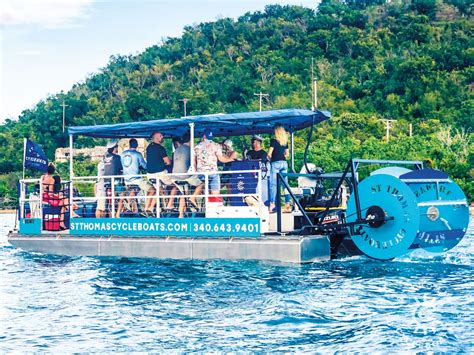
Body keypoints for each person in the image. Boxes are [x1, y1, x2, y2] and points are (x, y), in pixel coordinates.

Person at [166, 133, 203, 217]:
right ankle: (192, 199)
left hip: (175, 177)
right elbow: (194, 164)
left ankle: (181, 215)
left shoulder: (177, 150)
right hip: (185, 177)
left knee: (183, 194)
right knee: (201, 184)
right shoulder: (190, 150)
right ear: (190, 140)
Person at [194, 128, 236, 196]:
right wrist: (230, 160)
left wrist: (196, 172)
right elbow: (221, 159)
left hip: (201, 173)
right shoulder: (216, 145)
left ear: (204, 136)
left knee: (204, 188)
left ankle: (205, 200)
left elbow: (194, 162)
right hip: (212, 172)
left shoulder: (196, 147)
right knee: (215, 190)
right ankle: (214, 199)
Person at [120, 138, 155, 216]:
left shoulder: (122, 154)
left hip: (126, 180)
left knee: (134, 190)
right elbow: (145, 166)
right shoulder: (138, 154)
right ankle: (147, 209)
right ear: (137, 145)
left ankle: (129, 202)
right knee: (153, 190)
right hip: (136, 180)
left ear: (129, 144)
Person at [268, 124, 291, 213]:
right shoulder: (285, 142)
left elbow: (269, 153)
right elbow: (287, 154)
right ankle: (287, 204)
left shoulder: (273, 141)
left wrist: (270, 159)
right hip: (284, 163)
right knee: (285, 184)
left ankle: (272, 204)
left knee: (273, 184)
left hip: (275, 163)